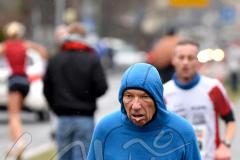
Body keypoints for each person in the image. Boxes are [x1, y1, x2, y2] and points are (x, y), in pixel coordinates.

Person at [87, 63, 201, 160]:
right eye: (129, 96)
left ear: (157, 100)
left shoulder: (183, 131)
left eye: (144, 96)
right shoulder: (106, 128)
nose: (136, 106)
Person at [43, 22, 108, 160]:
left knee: (64, 156)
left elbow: (47, 88)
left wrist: (56, 105)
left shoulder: (56, 59)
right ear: (84, 37)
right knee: (83, 156)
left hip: (63, 116)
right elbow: (102, 87)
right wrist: (88, 95)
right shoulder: (92, 59)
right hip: (85, 116)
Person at [163, 40, 236, 160]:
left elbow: (231, 121)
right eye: (181, 57)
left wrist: (225, 145)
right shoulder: (163, 93)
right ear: (173, 60)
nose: (185, 62)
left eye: (191, 58)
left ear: (197, 61)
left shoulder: (213, 87)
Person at [0, 21, 47, 157]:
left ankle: (19, 143)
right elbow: (43, 52)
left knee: (13, 116)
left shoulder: (5, 46)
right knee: (17, 115)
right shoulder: (25, 45)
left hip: (14, 81)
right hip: (25, 81)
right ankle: (15, 145)